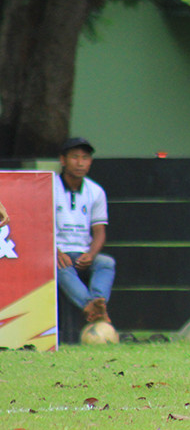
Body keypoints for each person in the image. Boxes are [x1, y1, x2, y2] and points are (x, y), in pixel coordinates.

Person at [55, 137, 116, 326]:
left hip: (82, 252)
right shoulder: (49, 186)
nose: (80, 163)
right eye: (74, 157)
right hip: (58, 252)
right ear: (63, 160)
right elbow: (39, 226)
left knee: (106, 262)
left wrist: (91, 254)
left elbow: (99, 231)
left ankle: (98, 302)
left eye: (85, 158)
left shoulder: (96, 191)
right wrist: (55, 251)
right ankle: (92, 307)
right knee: (61, 268)